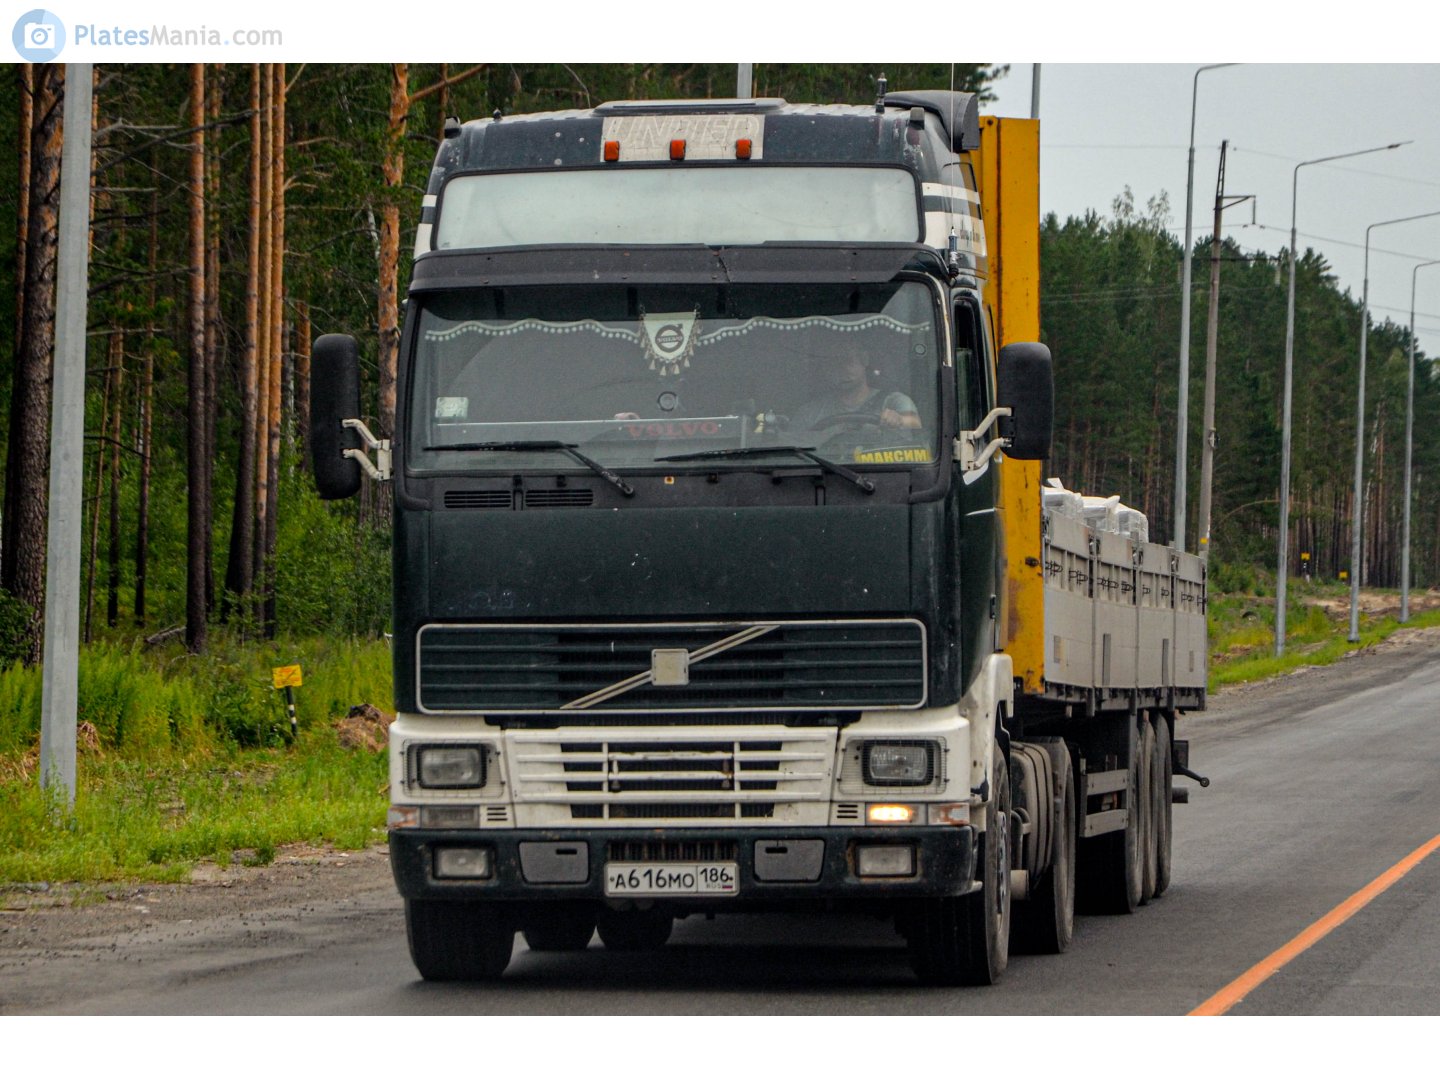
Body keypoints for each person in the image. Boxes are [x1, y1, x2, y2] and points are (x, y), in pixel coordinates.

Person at [790, 343, 921, 434]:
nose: (840, 369)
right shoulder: (810, 413)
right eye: (832, 364)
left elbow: (916, 425)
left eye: (847, 361)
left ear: (864, 361)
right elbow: (793, 447)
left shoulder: (894, 402)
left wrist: (898, 420)